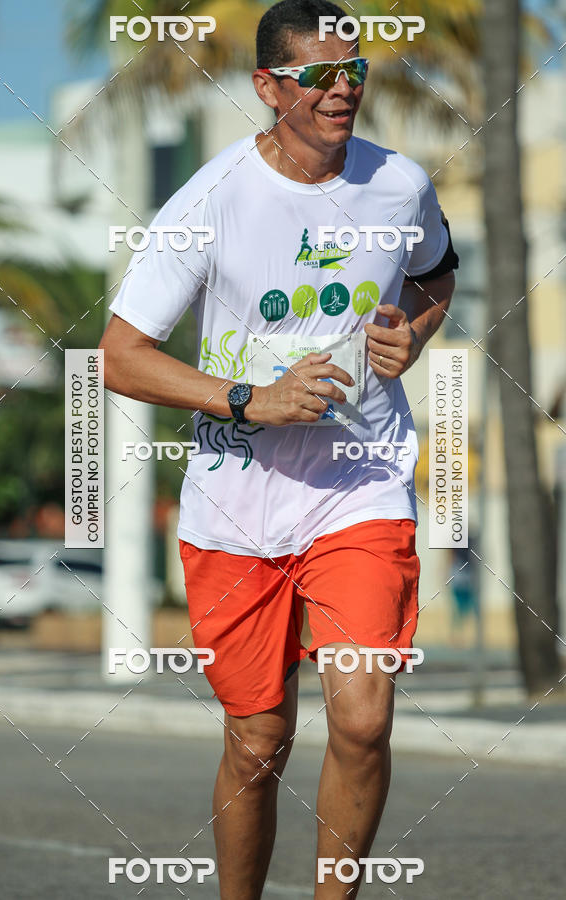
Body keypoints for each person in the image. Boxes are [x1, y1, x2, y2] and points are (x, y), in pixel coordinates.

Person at [99, 1, 458, 896]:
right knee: (259, 745)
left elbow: (437, 270)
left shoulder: (400, 184)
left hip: (358, 488)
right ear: (268, 87)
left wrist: (411, 333)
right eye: (319, 78)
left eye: (355, 73)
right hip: (237, 503)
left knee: (364, 718)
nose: (343, 93)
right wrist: (250, 398)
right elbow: (119, 357)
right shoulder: (212, 201)